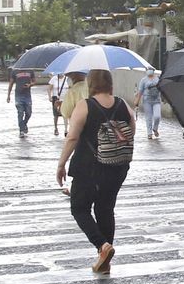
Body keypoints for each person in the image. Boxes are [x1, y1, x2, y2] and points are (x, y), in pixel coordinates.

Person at [57, 69, 134, 272]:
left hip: (88, 168)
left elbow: (72, 137)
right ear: (110, 84)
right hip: (117, 167)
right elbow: (131, 131)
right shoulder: (122, 104)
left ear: (91, 85)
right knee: (105, 209)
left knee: (79, 208)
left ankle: (102, 245)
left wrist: (61, 164)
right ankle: (105, 262)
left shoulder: (85, 106)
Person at [135, 68, 163, 140]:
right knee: (148, 118)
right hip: (147, 101)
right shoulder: (143, 80)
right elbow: (140, 91)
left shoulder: (158, 79)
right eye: (148, 69)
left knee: (157, 116)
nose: (149, 71)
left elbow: (162, 88)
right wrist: (137, 101)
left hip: (156, 101)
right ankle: (149, 133)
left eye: (150, 69)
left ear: (153, 71)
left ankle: (155, 128)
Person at [7, 68, 36, 136]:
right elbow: (11, 84)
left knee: (28, 113)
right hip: (18, 95)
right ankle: (21, 130)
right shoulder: (14, 71)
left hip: (27, 96)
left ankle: (24, 124)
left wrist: (30, 85)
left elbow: (34, 81)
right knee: (20, 113)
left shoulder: (30, 71)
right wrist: (8, 95)